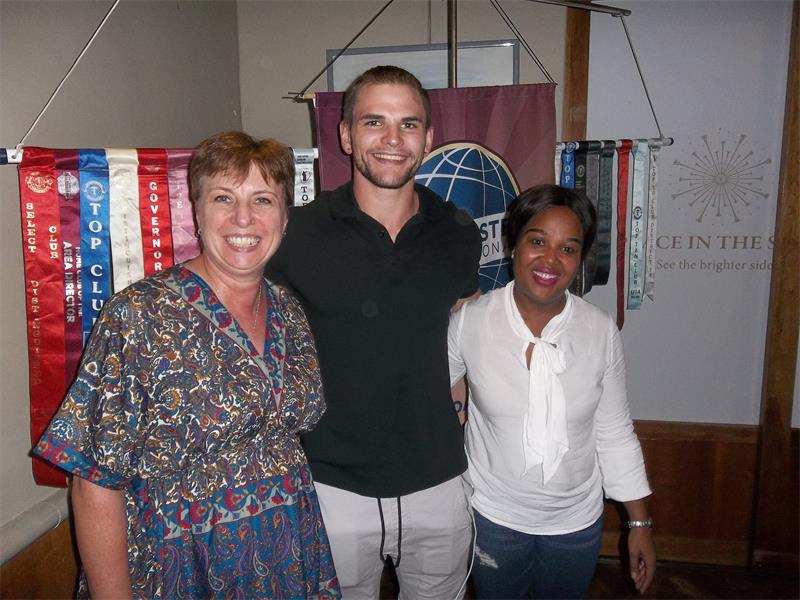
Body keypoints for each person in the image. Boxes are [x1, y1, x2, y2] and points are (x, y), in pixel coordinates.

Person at [33, 131, 340, 598]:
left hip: (288, 554)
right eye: (223, 198)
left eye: (262, 200)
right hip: (179, 562)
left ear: (284, 216)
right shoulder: (139, 316)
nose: (243, 217)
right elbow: (94, 481)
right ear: (197, 212)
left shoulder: (288, 310)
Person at [266, 66, 481, 598]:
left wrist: (457, 415)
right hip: (331, 486)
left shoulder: (458, 233)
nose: (392, 139)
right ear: (345, 135)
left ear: (428, 138)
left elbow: (462, 337)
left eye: (408, 124)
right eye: (373, 122)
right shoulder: (295, 234)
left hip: (439, 482)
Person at [448, 184, 656, 599]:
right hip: (493, 517)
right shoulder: (471, 321)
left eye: (568, 248)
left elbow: (615, 431)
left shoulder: (599, 330)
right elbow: (427, 399)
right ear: (513, 245)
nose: (550, 260)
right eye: (538, 241)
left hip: (575, 522)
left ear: (580, 259)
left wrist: (639, 524)